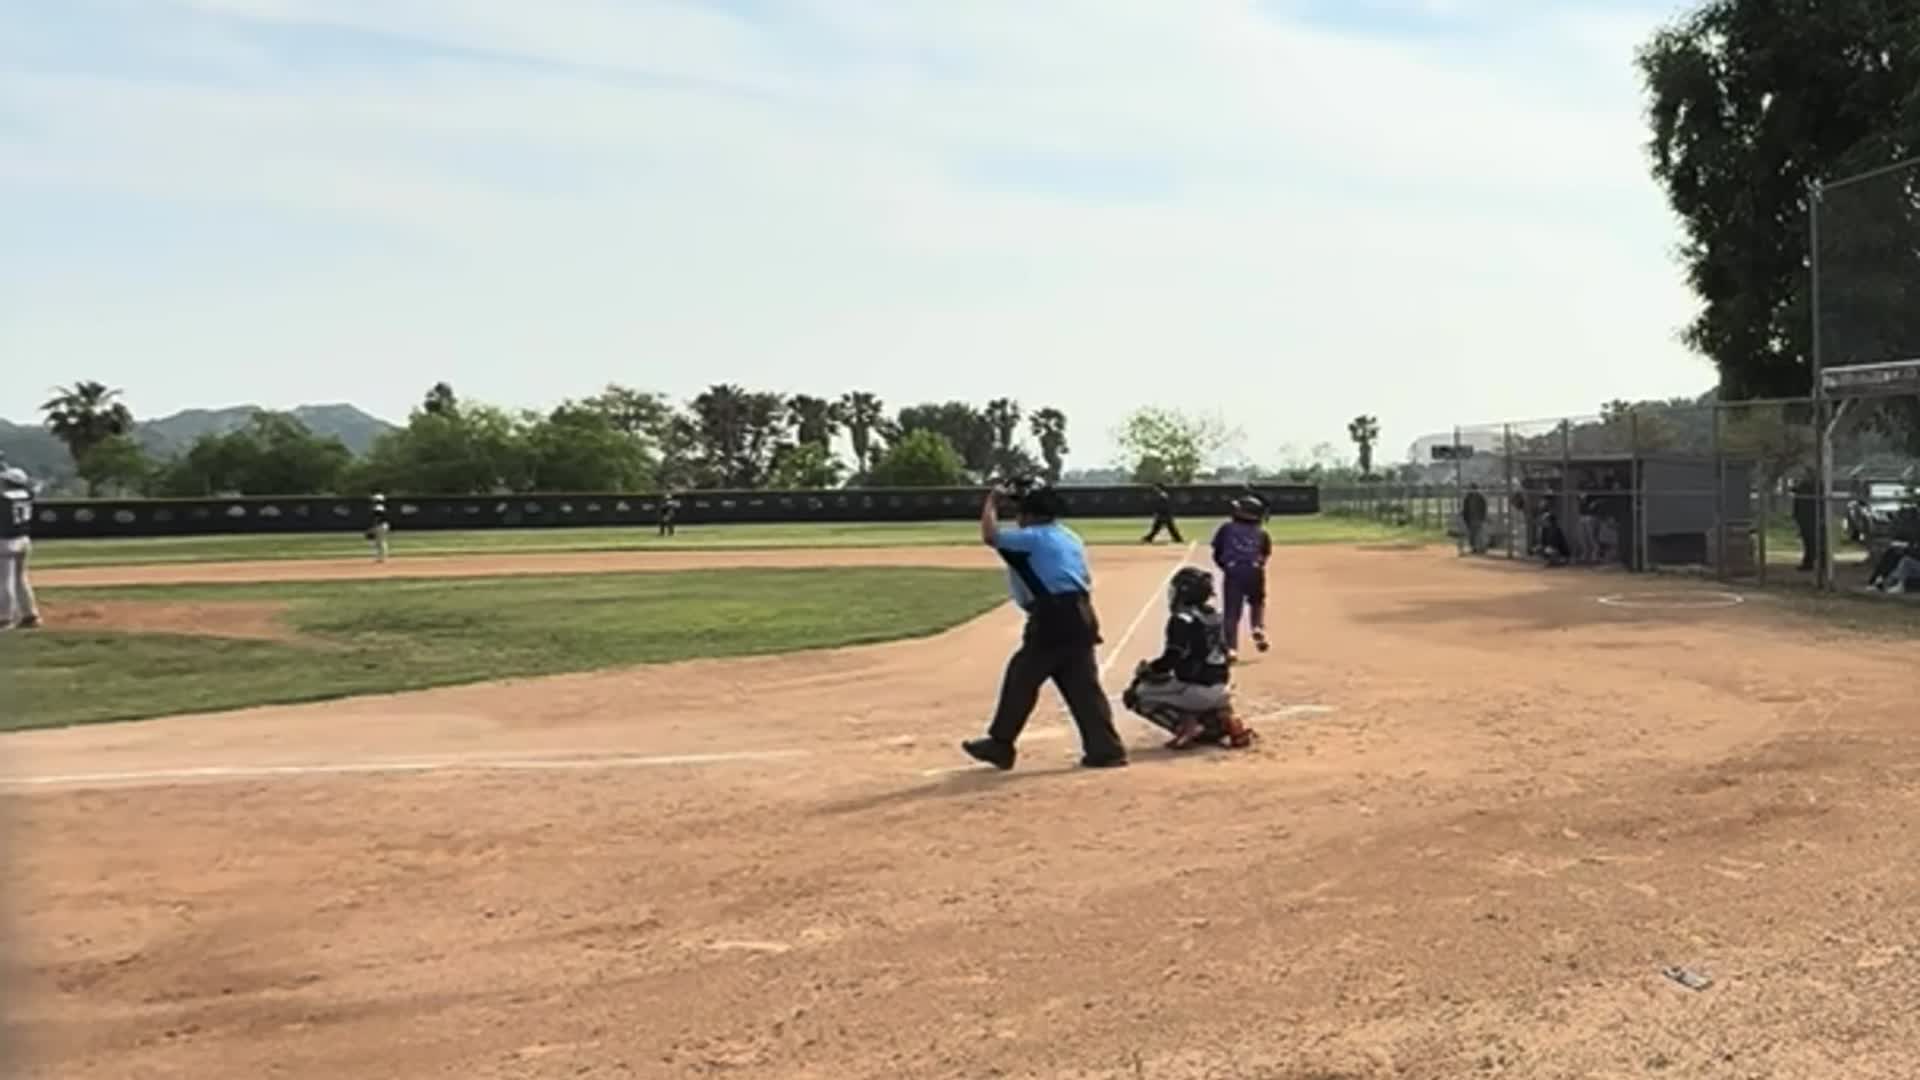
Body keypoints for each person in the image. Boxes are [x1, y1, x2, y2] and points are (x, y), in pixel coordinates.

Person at [962, 477, 1128, 771]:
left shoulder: (1031, 538)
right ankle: (1106, 749)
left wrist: (990, 501)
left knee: (1022, 676)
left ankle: (1000, 744)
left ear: (1030, 513)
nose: (1017, 515)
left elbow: (990, 536)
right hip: (1081, 612)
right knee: (1082, 686)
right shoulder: (1068, 535)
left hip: (1053, 616)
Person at [1121, 567, 1254, 750]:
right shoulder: (1214, 615)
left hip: (1196, 690)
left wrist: (1148, 671)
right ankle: (1227, 720)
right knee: (1189, 686)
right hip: (1222, 688)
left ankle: (1184, 727)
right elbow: (1225, 652)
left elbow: (1172, 658)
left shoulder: (1181, 619)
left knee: (1136, 695)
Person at [1210, 495, 1272, 661]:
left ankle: (1232, 649)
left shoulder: (1227, 528)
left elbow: (1217, 552)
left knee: (1232, 612)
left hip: (1234, 570)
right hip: (1255, 570)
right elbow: (1265, 554)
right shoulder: (1261, 532)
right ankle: (1257, 626)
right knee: (1257, 601)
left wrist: (1226, 567)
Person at [2, 465, 42, 630]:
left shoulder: (3, 497)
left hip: (6, 542)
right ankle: (30, 615)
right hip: (24, 540)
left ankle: (4, 618)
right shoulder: (27, 494)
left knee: (4, 581)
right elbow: (31, 488)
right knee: (21, 579)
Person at [1460, 484, 1489, 556]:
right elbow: (1465, 507)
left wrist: (1483, 517)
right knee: (1472, 534)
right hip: (1470, 519)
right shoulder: (1468, 497)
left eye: (1473, 488)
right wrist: (1464, 514)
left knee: (1480, 534)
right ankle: (1474, 548)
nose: (1472, 490)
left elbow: (1484, 508)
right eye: (1471, 488)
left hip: (1478, 518)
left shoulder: (1480, 497)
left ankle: (1482, 548)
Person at [365, 493, 392, 563]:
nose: (373, 501)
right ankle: (379, 557)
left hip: (381, 525)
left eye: (374, 499)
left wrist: (373, 527)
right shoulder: (380, 507)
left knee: (381, 541)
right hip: (381, 525)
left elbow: (378, 518)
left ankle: (383, 557)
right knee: (378, 541)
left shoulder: (379, 507)